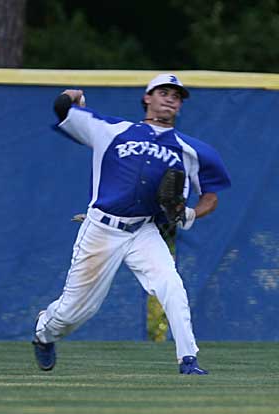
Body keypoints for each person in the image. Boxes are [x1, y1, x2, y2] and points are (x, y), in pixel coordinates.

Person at [32, 73, 231, 374]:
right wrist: (73, 95)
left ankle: (188, 360)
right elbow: (62, 109)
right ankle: (44, 333)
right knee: (76, 312)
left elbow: (211, 195)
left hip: (144, 230)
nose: (169, 98)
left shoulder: (193, 151)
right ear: (147, 98)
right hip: (102, 228)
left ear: (179, 106)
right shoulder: (112, 130)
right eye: (163, 92)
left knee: (171, 285)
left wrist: (191, 213)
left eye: (176, 96)